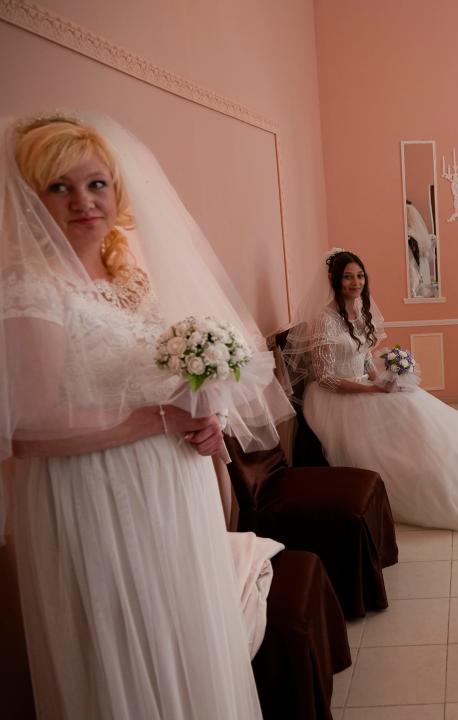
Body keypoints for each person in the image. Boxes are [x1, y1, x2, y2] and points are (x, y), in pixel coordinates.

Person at [0, 114, 293, 718]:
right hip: (94, 491)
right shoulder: (32, 288)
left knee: (182, 624)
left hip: (171, 480)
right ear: (31, 197)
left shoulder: (129, 275)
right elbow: (26, 430)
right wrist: (155, 421)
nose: (83, 201)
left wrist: (202, 417)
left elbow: (164, 375)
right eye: (59, 186)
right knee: (125, 641)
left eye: (96, 184)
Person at [283, 249, 458, 530]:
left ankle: (451, 476)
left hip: (363, 385)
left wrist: (381, 379)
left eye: (360, 276)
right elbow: (324, 378)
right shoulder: (325, 320)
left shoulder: (358, 309)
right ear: (333, 279)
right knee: (402, 425)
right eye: (348, 277)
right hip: (334, 397)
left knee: (416, 406)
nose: (355, 282)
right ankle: (422, 483)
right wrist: (371, 391)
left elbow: (363, 358)